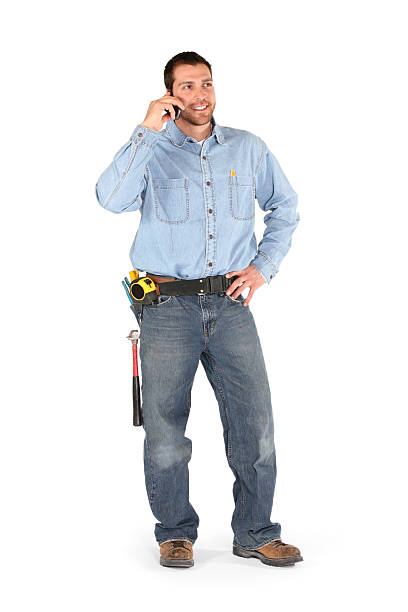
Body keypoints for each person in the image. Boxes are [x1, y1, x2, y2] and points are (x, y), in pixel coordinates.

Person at [95, 51, 302, 568]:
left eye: (206, 83)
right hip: (165, 306)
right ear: (169, 94)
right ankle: (175, 532)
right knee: (166, 430)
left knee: (255, 426)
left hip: (231, 305)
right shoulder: (153, 149)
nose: (200, 95)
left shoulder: (248, 148)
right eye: (186, 86)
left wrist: (263, 267)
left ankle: (255, 532)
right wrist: (145, 129)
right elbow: (109, 199)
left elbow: (285, 208)